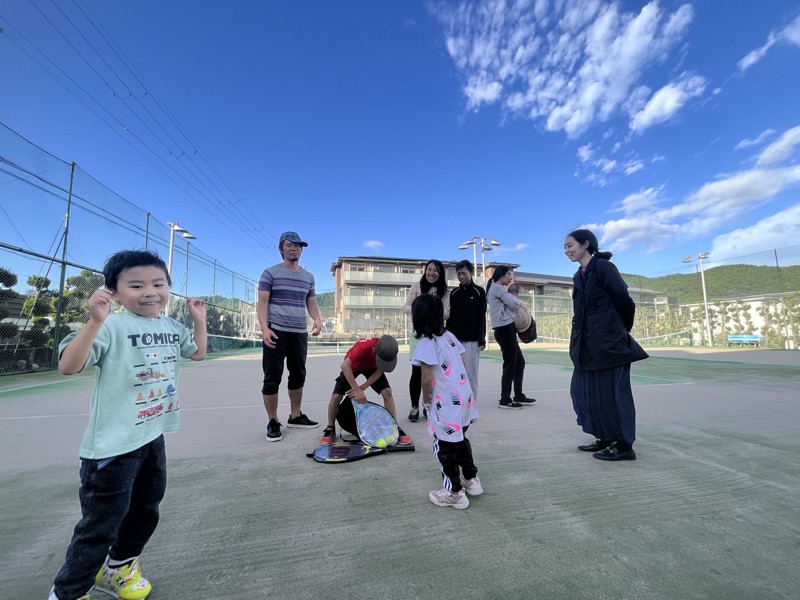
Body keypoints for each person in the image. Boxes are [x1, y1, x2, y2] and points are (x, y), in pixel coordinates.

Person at [49, 249, 207, 600]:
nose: (150, 291)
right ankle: (69, 592)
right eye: (136, 285)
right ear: (115, 293)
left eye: (158, 283)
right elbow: (68, 366)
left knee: (145, 511)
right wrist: (94, 321)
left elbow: (197, 353)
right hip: (111, 449)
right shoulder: (111, 326)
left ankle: (118, 570)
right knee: (99, 525)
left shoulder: (169, 325)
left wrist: (198, 319)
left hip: (152, 439)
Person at [565, 228, 649, 461]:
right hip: (587, 345)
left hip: (610, 344)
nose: (567, 250)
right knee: (589, 393)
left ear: (586, 244)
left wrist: (619, 329)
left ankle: (623, 445)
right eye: (565, 247)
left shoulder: (604, 268)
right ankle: (605, 436)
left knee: (615, 394)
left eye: (570, 245)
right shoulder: (577, 276)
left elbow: (624, 300)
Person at [411, 294, 481, 509]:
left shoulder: (425, 344)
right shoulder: (450, 336)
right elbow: (460, 361)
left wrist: (426, 402)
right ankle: (471, 479)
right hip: (464, 399)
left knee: (444, 447)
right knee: (460, 439)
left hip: (446, 405)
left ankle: (454, 492)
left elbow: (425, 379)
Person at [257, 231, 323, 442]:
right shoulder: (270, 273)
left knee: (298, 375)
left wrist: (317, 319)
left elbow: (311, 303)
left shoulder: (308, 277)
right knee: (272, 377)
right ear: (281, 248)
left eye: (298, 245)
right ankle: (273, 421)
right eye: (289, 245)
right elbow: (262, 304)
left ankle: (295, 415)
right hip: (276, 331)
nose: (294, 248)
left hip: (299, 334)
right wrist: (265, 329)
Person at [319, 335, 412, 445]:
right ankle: (330, 428)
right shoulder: (362, 348)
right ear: (374, 351)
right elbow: (344, 366)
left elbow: (379, 371)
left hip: (371, 368)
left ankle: (394, 427)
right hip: (352, 368)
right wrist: (356, 389)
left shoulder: (386, 351)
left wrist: (362, 387)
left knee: (387, 392)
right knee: (336, 396)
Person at [402, 259, 450, 422]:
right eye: (429, 270)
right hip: (418, 334)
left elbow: (447, 314)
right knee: (416, 372)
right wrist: (420, 307)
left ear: (440, 273)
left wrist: (432, 307)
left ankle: (429, 405)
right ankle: (414, 406)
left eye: (435, 270)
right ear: (425, 271)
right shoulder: (416, 286)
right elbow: (405, 307)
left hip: (436, 335)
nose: (431, 273)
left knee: (433, 373)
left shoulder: (445, 291)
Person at [486, 266, 535, 409]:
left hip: (507, 329)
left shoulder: (497, 288)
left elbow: (510, 301)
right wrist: (522, 305)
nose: (510, 278)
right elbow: (512, 302)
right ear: (501, 275)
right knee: (510, 364)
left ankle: (518, 394)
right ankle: (505, 399)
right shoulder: (497, 288)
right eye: (508, 274)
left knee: (519, 363)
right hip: (504, 329)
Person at [446, 259, 486, 403]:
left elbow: (482, 317)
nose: (461, 277)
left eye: (464, 273)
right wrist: (447, 338)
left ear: (471, 272)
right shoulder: (454, 293)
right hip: (455, 341)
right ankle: (459, 403)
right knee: (455, 373)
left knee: (471, 375)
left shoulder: (479, 292)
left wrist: (482, 339)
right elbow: (450, 319)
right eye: (458, 274)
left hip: (472, 340)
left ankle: (471, 405)